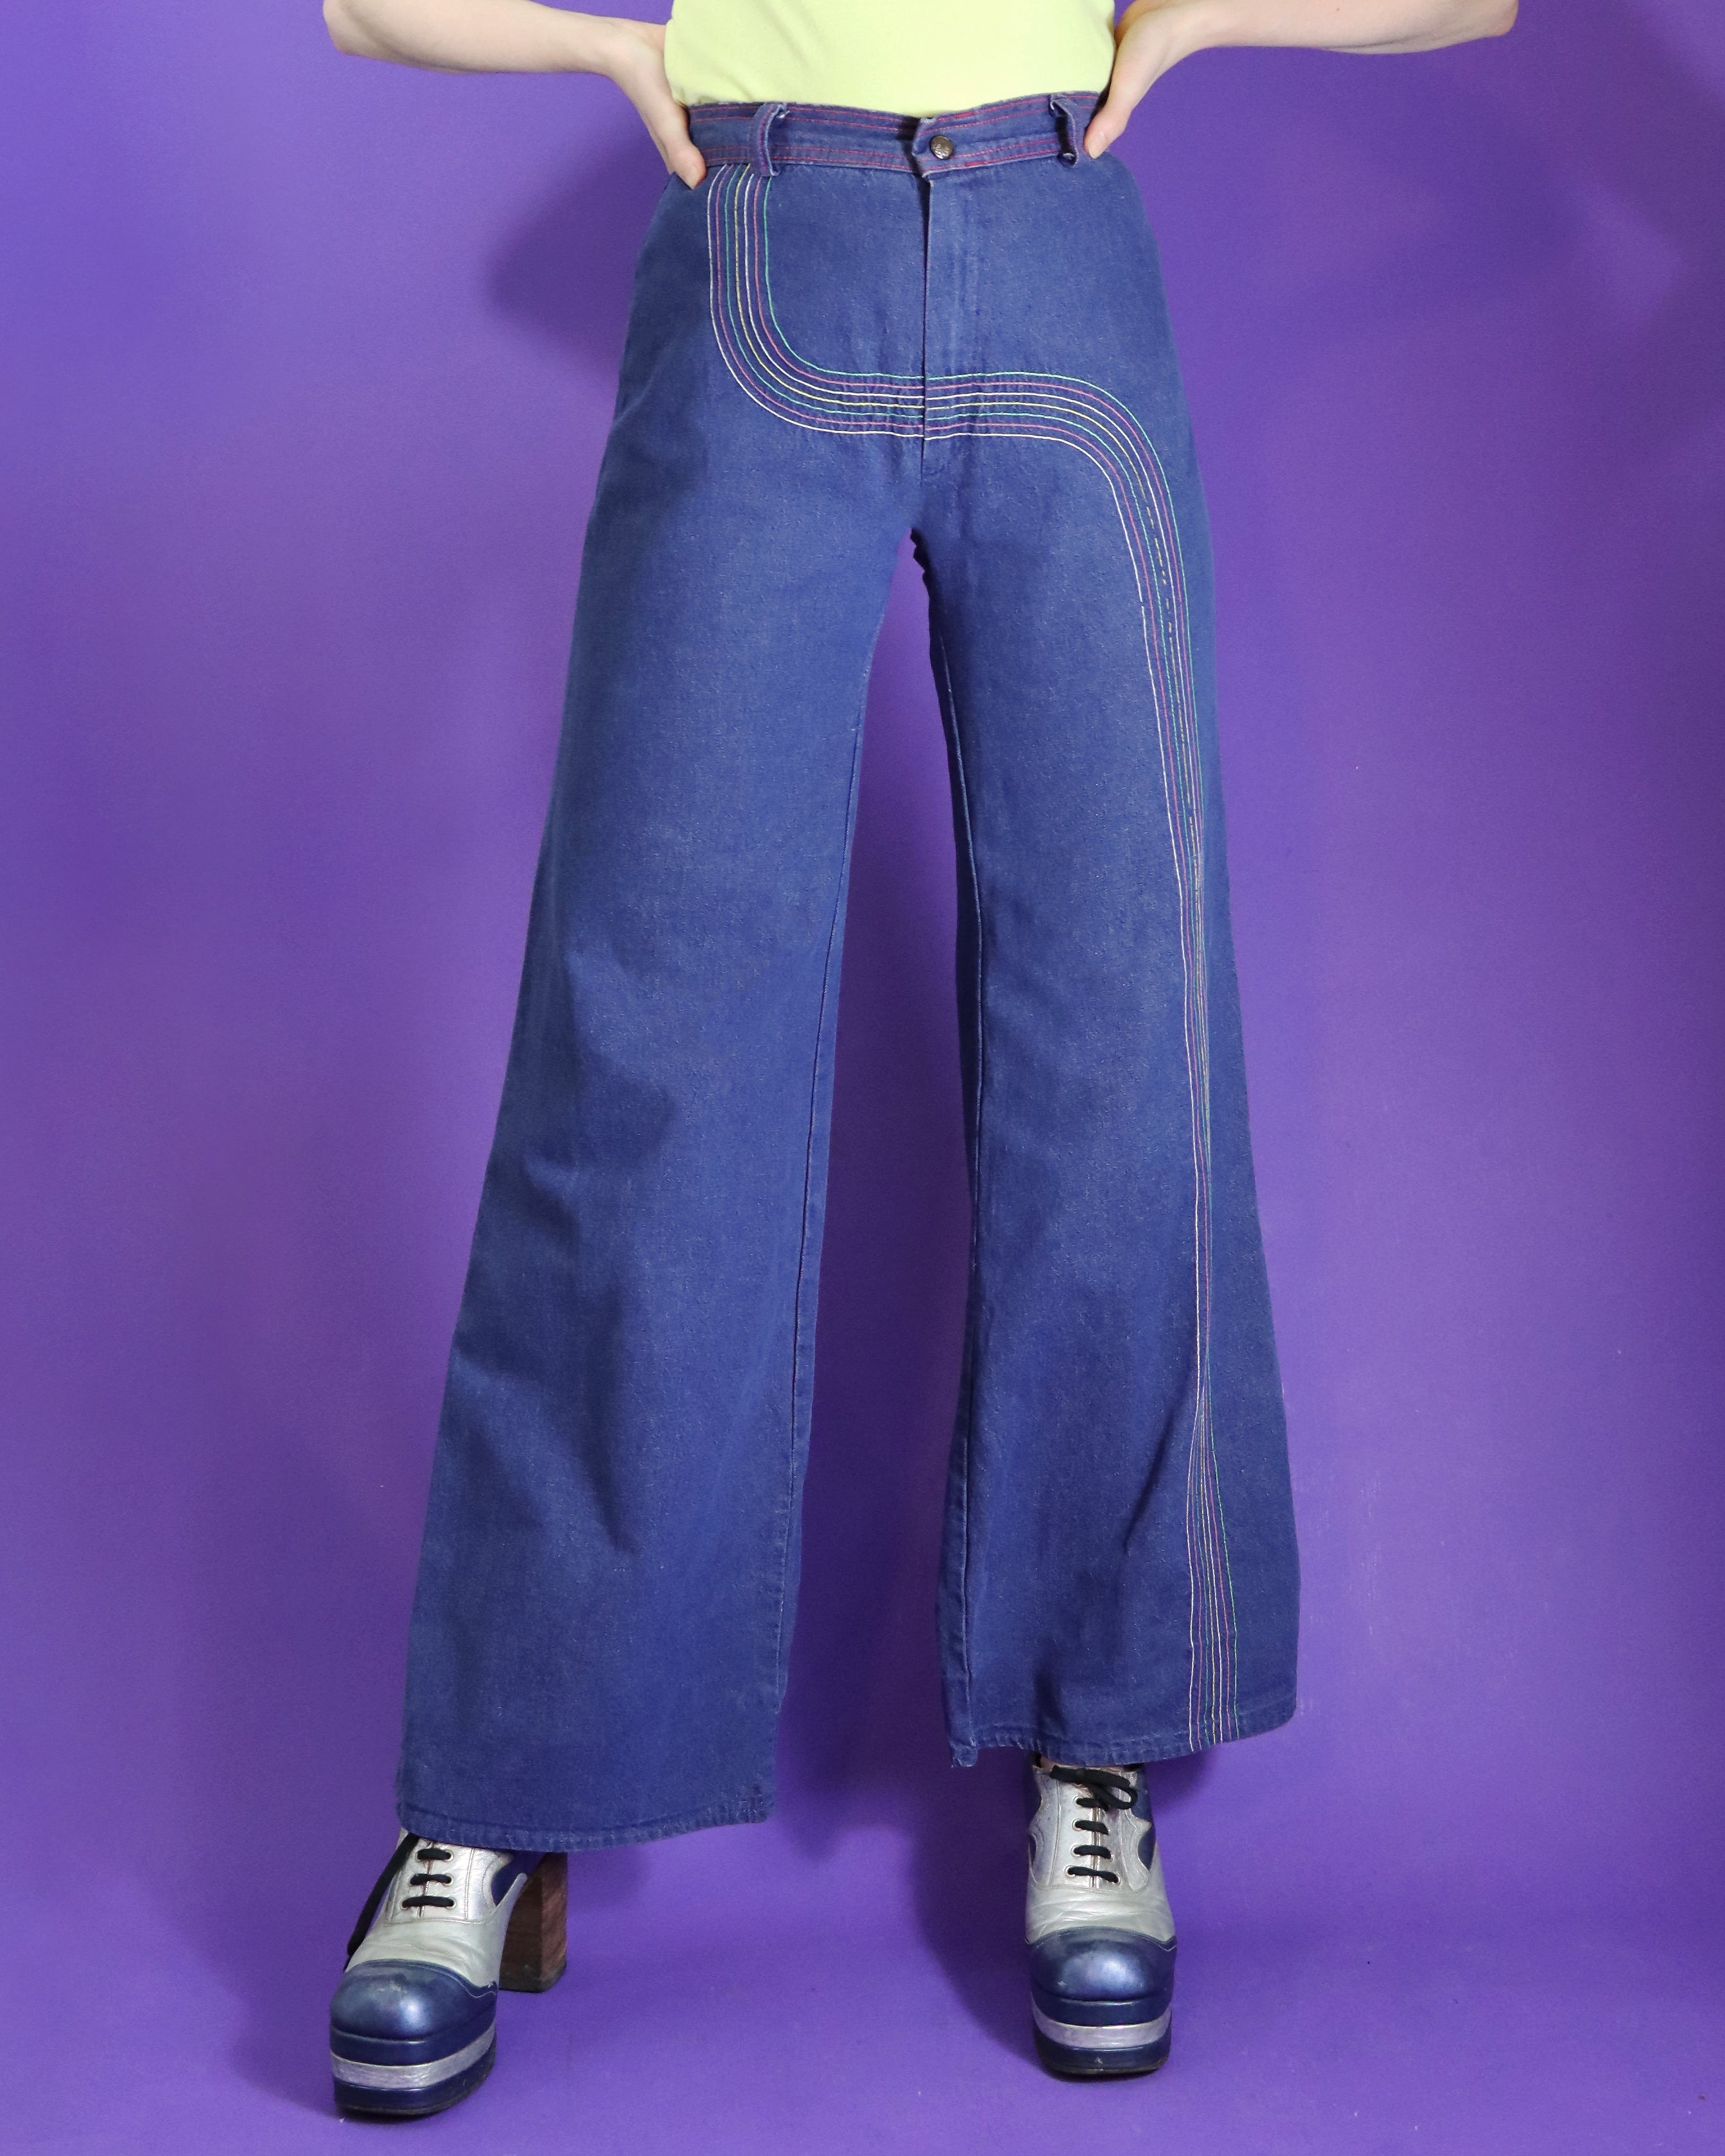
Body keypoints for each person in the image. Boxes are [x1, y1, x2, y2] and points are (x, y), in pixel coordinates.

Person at [320, 0, 1515, 2118]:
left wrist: (1202, 14)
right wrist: (619, 63)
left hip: (1058, 262)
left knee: (1118, 1036)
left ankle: (1095, 1757)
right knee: (642, 1054)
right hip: (763, 246)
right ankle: (494, 1797)